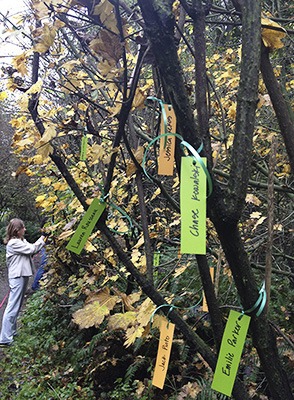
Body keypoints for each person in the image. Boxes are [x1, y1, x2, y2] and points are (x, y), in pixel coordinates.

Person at [0, 218, 45, 347]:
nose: (25, 230)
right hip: (17, 276)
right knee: (13, 306)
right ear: (16, 230)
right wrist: (43, 238)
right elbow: (32, 249)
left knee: (17, 305)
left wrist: (43, 238)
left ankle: (11, 332)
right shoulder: (14, 243)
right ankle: (5, 338)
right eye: (22, 228)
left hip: (22, 275)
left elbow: (30, 247)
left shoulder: (20, 241)